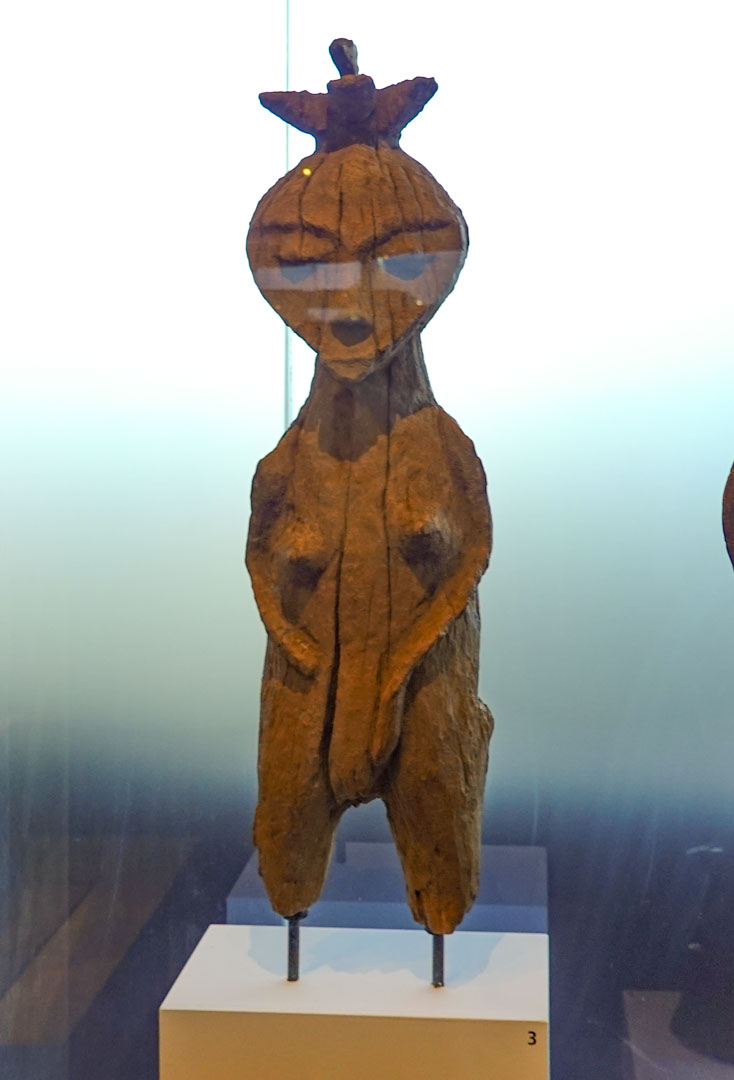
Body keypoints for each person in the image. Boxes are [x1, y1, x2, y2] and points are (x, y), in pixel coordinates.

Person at [244, 39, 493, 941]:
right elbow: (258, 557)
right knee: (284, 852)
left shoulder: (442, 447)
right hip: (306, 682)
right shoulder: (288, 460)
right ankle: (293, 898)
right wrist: (292, 638)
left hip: (422, 680)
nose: (349, 306)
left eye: (395, 265)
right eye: (309, 266)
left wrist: (404, 662)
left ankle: (440, 902)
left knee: (440, 838)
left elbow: (471, 557)